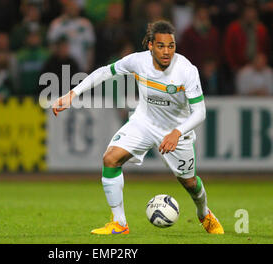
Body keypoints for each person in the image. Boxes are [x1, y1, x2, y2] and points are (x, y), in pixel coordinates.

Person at [52, 20, 224, 235]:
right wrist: (72, 94)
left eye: (171, 46)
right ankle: (120, 223)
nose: (166, 51)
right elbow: (105, 72)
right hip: (143, 122)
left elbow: (200, 112)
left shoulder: (186, 70)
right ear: (150, 45)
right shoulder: (137, 61)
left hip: (177, 129)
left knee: (188, 182)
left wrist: (177, 132)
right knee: (110, 159)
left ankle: (204, 213)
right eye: (161, 46)